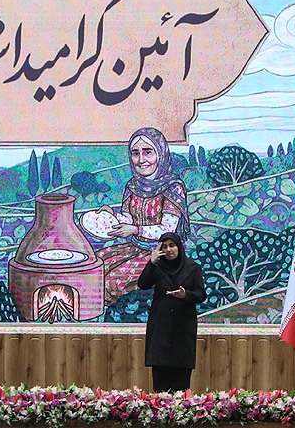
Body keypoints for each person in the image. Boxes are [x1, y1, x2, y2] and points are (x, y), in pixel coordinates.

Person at [80, 127, 190, 299]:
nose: (141, 160)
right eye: (135, 153)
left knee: (111, 281)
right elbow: (129, 218)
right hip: (135, 248)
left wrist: (135, 230)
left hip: (162, 255)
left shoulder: (172, 187)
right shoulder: (133, 185)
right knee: (94, 266)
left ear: (161, 154)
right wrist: (112, 215)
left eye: (148, 152)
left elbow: (167, 230)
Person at [137, 232, 207, 393]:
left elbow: (201, 294)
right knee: (160, 388)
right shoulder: (157, 267)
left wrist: (185, 295)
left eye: (172, 245)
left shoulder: (192, 267)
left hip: (183, 330)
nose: (169, 250)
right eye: (164, 247)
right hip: (160, 330)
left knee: (181, 387)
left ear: (179, 247)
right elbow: (143, 284)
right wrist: (152, 262)